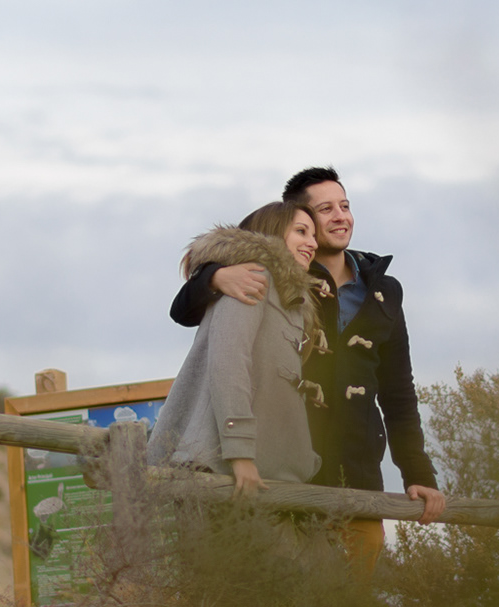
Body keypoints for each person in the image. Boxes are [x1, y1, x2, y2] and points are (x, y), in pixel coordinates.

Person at [170, 167, 444, 576]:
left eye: (345, 206)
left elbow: (399, 393)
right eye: (325, 209)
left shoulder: (385, 291)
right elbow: (185, 312)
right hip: (286, 470)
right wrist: (214, 274)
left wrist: (418, 473)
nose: (340, 216)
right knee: (287, 599)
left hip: (358, 472)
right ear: (300, 221)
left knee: (354, 606)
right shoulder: (279, 277)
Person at [149, 202, 323, 496]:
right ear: (274, 232)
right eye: (301, 231)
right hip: (220, 470)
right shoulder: (252, 277)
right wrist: (240, 454)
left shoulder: (291, 301)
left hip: (264, 477)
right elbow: (229, 364)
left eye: (314, 235)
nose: (313, 243)